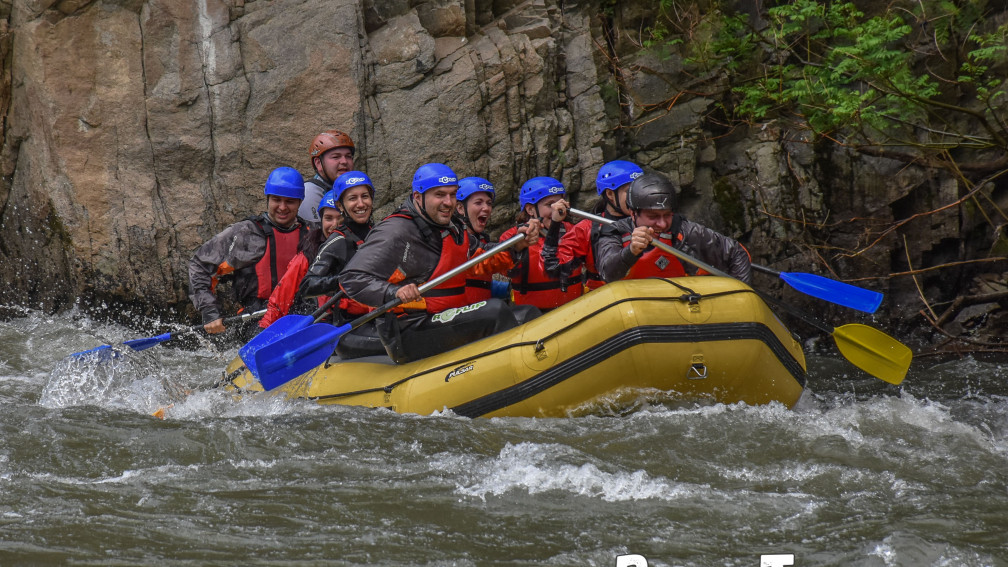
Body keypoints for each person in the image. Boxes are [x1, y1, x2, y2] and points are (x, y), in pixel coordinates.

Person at [339, 163, 540, 364]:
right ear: (418, 197)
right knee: (495, 312)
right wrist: (393, 292)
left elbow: (481, 258)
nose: (448, 202)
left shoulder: (453, 226)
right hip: (409, 328)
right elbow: (351, 278)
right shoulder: (395, 231)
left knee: (527, 312)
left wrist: (516, 246)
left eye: (452, 195)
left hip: (443, 318)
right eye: (440, 195)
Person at [188, 166, 309, 335]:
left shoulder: (311, 236)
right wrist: (209, 311)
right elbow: (199, 265)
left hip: (301, 314)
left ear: (300, 202)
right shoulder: (245, 233)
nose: (282, 207)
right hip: (256, 318)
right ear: (268, 199)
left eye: (289, 201)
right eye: (276, 200)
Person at [595, 172, 751, 283]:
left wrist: (741, 299)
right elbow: (608, 274)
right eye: (653, 217)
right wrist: (631, 251)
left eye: (667, 215)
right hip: (634, 315)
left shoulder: (683, 230)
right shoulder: (614, 232)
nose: (662, 224)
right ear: (633, 213)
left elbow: (737, 253)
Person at [297, 171, 385, 358]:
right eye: (353, 198)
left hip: (382, 317)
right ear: (340, 205)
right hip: (350, 329)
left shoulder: (380, 233)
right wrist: (345, 280)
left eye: (365, 197)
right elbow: (307, 286)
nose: (361, 204)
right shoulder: (337, 241)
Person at [542, 160, 642, 292]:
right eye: (629, 192)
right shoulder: (586, 229)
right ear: (610, 194)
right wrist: (555, 224)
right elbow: (553, 267)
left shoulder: (656, 221)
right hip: (608, 298)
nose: (638, 197)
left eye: (640, 190)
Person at [256, 185, 346, 329]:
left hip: (349, 320)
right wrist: (263, 330)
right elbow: (280, 299)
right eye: (328, 218)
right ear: (321, 220)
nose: (334, 225)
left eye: (340, 219)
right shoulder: (309, 252)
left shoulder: (362, 246)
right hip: (317, 322)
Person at [499, 176, 581, 312]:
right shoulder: (512, 237)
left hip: (573, 312)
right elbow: (504, 269)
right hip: (533, 317)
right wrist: (518, 248)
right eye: (550, 205)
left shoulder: (574, 231)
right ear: (530, 209)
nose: (557, 210)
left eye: (560, 203)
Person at [299, 130, 355, 223]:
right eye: (336, 157)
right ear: (318, 163)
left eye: (348, 156)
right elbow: (316, 235)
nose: (344, 161)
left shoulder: (352, 188)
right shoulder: (309, 192)